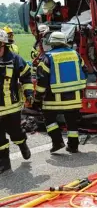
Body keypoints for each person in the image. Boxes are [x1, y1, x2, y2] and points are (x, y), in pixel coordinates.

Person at [33, 32, 88, 154]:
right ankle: (73, 146)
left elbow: (42, 81)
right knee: (72, 122)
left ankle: (57, 142)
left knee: (48, 119)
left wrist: (37, 99)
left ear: (51, 43)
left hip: (54, 98)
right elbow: (85, 71)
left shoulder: (47, 57)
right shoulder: (76, 55)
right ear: (64, 41)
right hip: (74, 97)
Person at [0, 29, 33, 173]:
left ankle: (22, 145)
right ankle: (4, 163)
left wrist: (29, 93)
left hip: (12, 105)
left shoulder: (14, 59)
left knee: (15, 133)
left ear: (4, 45)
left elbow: (26, 75)